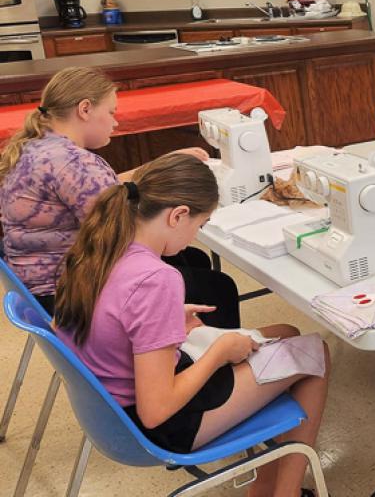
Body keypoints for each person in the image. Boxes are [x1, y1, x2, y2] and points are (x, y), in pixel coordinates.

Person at [53, 153, 329, 497]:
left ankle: (265, 487)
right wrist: (218, 353)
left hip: (116, 403)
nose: (196, 237)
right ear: (178, 215)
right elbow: (155, 411)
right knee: (316, 354)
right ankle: (283, 494)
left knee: (286, 334)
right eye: (199, 226)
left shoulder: (96, 249)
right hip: (163, 424)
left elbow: (108, 317)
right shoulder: (157, 278)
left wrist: (162, 324)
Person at [0, 67, 239, 328]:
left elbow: (105, 188)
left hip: (37, 285)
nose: (115, 122)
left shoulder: (37, 146)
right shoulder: (74, 163)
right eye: (111, 112)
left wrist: (156, 166)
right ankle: (208, 360)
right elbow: (129, 228)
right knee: (218, 287)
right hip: (67, 294)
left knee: (194, 259)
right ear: (85, 109)